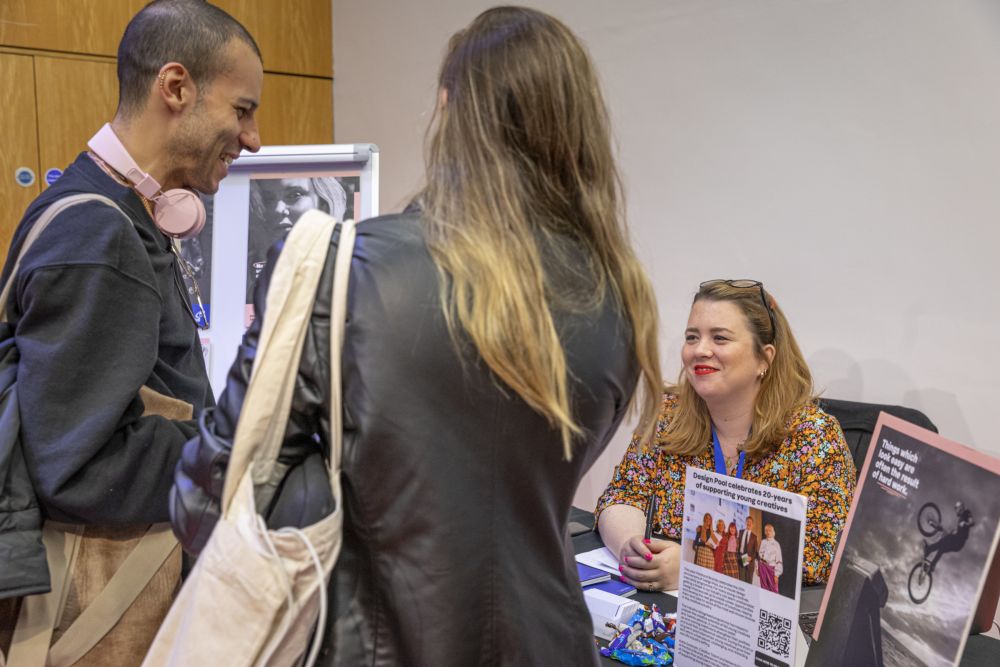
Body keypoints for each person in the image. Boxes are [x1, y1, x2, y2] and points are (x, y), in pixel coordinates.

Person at [172, 6, 661, 665]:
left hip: (375, 644)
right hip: (553, 642)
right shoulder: (619, 297)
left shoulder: (338, 268)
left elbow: (208, 503)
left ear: (448, 108)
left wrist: (351, 470)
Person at [0, 0, 261, 660]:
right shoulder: (100, 234)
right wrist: (238, 451)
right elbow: (80, 464)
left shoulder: (104, 210)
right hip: (97, 614)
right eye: (242, 109)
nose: (253, 137)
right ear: (176, 88)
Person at [595, 279, 857, 593]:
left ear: (765, 358)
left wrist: (696, 568)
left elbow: (818, 558)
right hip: (666, 608)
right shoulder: (667, 415)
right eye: (692, 337)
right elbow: (622, 496)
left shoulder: (814, 436)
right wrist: (632, 548)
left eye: (719, 337)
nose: (699, 350)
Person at [247, 177, 348, 299]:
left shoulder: (349, 269)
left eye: (294, 195)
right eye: (268, 199)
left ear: (323, 205)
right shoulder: (248, 276)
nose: (277, 209)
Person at [923, 501, 975, 569]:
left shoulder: (967, 512)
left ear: (960, 508)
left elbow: (972, 522)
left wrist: (965, 523)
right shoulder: (961, 518)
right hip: (957, 541)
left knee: (944, 540)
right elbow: (959, 530)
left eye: (956, 509)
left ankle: (928, 549)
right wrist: (952, 531)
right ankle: (932, 566)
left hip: (958, 541)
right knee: (941, 548)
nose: (956, 511)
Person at [758, 524, 783, 593]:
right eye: (766, 530)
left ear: (773, 532)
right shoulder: (763, 542)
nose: (768, 532)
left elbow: (779, 560)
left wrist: (776, 574)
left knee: (774, 589)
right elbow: (760, 555)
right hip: (762, 567)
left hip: (771, 569)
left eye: (770, 530)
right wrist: (758, 568)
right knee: (763, 588)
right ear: (765, 532)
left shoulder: (776, 544)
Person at [738, 515, 759, 584]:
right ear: (745, 522)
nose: (749, 523)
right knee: (741, 581)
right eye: (747, 521)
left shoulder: (754, 537)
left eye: (750, 522)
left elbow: (755, 551)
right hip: (741, 559)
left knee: (749, 582)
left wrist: (751, 558)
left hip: (750, 562)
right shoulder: (740, 532)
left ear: (752, 524)